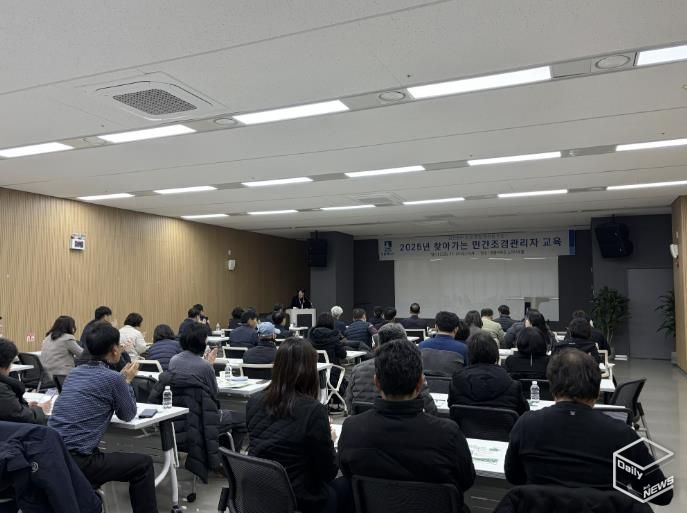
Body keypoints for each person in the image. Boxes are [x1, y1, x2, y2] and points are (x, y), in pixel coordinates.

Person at [505, 350, 673, 506]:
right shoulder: (622, 435)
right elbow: (662, 494)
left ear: (552, 387)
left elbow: (514, 476)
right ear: (597, 390)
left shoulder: (526, 425)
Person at [338, 339, 475, 509]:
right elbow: (466, 480)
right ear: (420, 383)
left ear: (377, 382)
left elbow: (347, 473)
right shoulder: (448, 434)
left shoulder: (352, 429)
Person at [48, 322, 158, 513]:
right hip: (80, 462)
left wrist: (121, 381)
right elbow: (128, 414)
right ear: (115, 350)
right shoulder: (113, 379)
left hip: (52, 454)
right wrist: (126, 381)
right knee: (144, 464)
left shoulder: (74, 373)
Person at [246, 338, 341, 513]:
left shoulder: (254, 401)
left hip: (258, 491)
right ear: (310, 371)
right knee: (343, 489)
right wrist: (330, 438)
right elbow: (328, 472)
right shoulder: (314, 410)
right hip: (297, 498)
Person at [169, 323, 247, 450]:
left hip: (181, 418)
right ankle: (229, 456)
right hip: (204, 419)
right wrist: (209, 365)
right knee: (241, 419)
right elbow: (214, 394)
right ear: (202, 343)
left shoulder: (173, 360)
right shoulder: (205, 366)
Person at [346, 323, 437, 415]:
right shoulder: (412, 368)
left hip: (364, 422)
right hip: (406, 421)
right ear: (405, 342)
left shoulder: (357, 370)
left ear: (379, 343)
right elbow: (429, 409)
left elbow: (349, 405)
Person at [448, 332, 529, 415]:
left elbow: (451, 407)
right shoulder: (513, 385)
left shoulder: (456, 382)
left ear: (469, 354)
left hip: (465, 423)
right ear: (495, 352)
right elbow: (524, 412)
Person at [0, 338, 48, 424]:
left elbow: (8, 409)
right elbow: (25, 418)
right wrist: (40, 410)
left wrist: (23, 406)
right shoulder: (2, 389)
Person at [77, 306, 130, 371]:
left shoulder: (89, 325)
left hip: (83, 360)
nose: (111, 319)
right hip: (96, 361)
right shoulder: (104, 327)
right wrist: (113, 328)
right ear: (105, 316)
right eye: (110, 316)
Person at [40, 315, 83, 380]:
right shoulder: (67, 338)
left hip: (47, 376)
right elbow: (82, 354)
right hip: (63, 376)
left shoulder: (47, 337)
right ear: (70, 327)